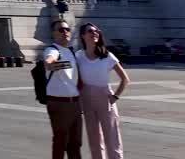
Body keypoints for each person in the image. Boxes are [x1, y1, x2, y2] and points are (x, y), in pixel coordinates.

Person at [77, 23, 130, 159]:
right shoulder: (78, 56)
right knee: (94, 139)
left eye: (96, 31)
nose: (94, 33)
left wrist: (115, 97)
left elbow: (124, 79)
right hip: (86, 99)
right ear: (83, 36)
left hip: (105, 98)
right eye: (90, 31)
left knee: (112, 137)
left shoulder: (107, 56)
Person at [43, 19, 82, 159]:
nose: (65, 32)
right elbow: (49, 60)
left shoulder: (71, 51)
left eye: (67, 29)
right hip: (60, 103)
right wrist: (50, 64)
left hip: (75, 103)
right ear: (53, 34)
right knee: (60, 142)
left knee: (75, 143)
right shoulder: (53, 49)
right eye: (61, 30)